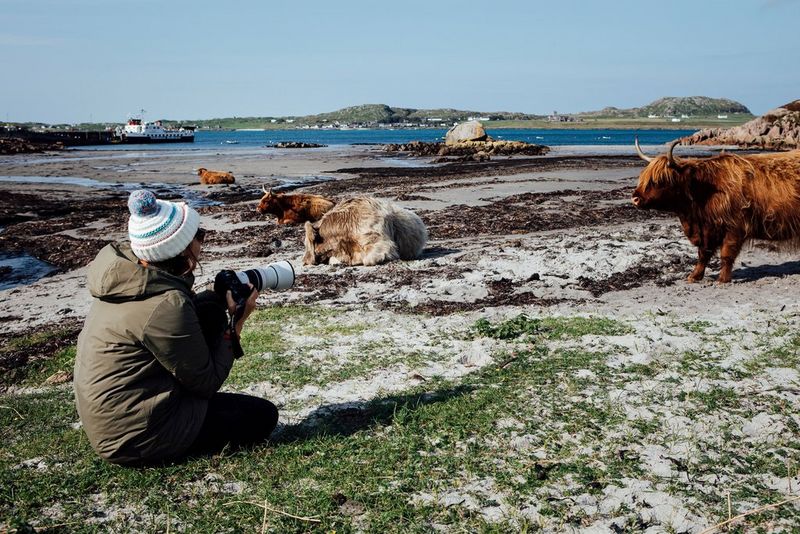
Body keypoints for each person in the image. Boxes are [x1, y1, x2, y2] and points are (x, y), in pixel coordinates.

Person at [74, 189, 278, 465]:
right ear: (182, 247)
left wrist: (215, 296)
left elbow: (178, 322)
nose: (203, 241)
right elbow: (207, 383)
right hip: (137, 438)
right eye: (199, 235)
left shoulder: (132, 278)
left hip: (114, 421)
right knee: (262, 415)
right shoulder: (166, 305)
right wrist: (237, 322)